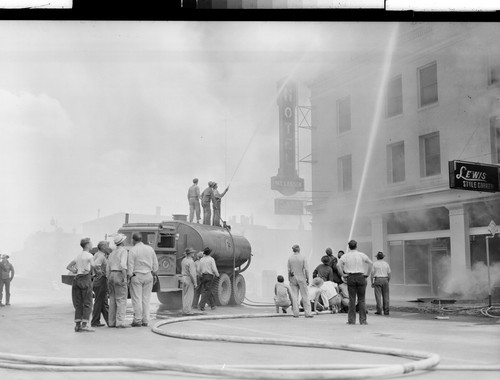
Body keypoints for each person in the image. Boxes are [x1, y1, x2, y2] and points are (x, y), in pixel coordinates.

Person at [337, 240, 373, 325]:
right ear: (356, 246)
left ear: (349, 246)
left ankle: (351, 320)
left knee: (352, 300)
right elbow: (371, 263)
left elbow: (338, 265)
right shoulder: (361, 255)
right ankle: (363, 320)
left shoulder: (346, 256)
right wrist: (367, 274)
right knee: (362, 300)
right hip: (361, 276)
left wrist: (343, 274)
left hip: (351, 277)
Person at [128, 232, 159, 327]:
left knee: (137, 298)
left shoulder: (133, 250)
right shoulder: (150, 249)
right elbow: (155, 264)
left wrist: (129, 276)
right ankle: (145, 320)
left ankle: (137, 319)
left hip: (137, 275)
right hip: (148, 275)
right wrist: (154, 273)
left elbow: (130, 265)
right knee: (146, 299)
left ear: (133, 240)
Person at [66, 238, 96, 332]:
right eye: (91, 243)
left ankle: (77, 325)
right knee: (88, 303)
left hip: (77, 279)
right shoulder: (89, 255)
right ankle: (84, 325)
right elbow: (94, 265)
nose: (92, 245)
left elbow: (68, 267)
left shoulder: (78, 255)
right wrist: (93, 272)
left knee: (78, 304)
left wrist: (75, 270)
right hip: (85, 279)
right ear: (87, 245)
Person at [106, 233, 129, 328]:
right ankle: (120, 322)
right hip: (119, 273)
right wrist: (125, 277)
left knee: (112, 300)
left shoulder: (112, 252)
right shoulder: (123, 251)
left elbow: (107, 266)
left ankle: (111, 322)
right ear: (122, 242)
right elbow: (123, 265)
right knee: (121, 299)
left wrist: (108, 277)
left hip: (111, 274)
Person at [287, 244, 313, 318]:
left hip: (293, 278)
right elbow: (306, 269)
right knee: (305, 295)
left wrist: (289, 278)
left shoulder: (290, 258)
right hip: (301, 277)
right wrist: (308, 278)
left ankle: (296, 313)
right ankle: (307, 313)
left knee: (294, 296)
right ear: (299, 249)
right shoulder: (303, 257)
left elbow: (289, 270)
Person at [91, 241, 110, 327]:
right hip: (101, 281)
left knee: (102, 302)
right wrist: (100, 274)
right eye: (107, 246)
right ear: (102, 247)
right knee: (100, 302)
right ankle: (95, 321)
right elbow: (96, 265)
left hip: (97, 280)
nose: (108, 248)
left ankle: (109, 321)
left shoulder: (97, 254)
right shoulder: (101, 256)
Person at [198, 247, 219, 311]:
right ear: (210, 253)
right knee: (206, 291)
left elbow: (198, 269)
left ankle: (213, 305)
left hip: (203, 276)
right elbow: (214, 269)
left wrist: (201, 274)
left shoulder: (201, 260)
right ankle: (201, 306)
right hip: (209, 276)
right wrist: (217, 275)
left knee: (208, 290)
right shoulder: (211, 259)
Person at [371, 251, 391, 316]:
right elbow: (389, 274)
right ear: (383, 257)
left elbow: (372, 274)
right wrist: (387, 281)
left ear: (377, 257)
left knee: (378, 296)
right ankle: (386, 311)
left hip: (377, 279)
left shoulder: (374, 264)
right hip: (385, 279)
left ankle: (379, 311)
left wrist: (372, 282)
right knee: (386, 296)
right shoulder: (386, 264)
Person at [181, 248, 198, 315]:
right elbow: (192, 273)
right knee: (189, 295)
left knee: (184, 295)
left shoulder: (183, 260)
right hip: (188, 278)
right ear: (190, 254)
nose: (194, 253)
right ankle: (187, 311)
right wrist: (195, 283)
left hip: (183, 277)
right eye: (193, 252)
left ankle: (184, 309)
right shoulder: (191, 261)